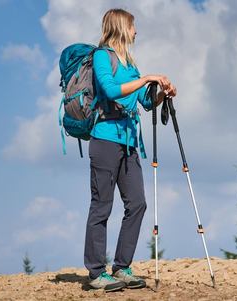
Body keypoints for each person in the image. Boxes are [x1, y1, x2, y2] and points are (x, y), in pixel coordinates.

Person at [84, 8, 176, 292]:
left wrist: (162, 93)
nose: (136, 32)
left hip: (129, 143)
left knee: (137, 203)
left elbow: (145, 103)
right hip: (104, 139)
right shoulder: (102, 56)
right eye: (133, 26)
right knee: (102, 205)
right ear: (122, 27)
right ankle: (96, 272)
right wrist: (147, 77)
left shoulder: (130, 64)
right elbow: (111, 91)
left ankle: (122, 267)